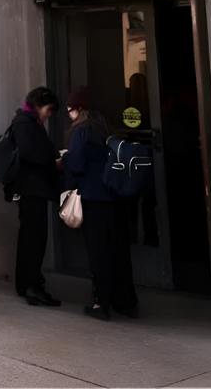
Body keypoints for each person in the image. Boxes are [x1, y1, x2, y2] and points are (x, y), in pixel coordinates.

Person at [64, 86, 138, 320]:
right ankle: (126, 302)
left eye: (70, 110)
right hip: (117, 196)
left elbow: (76, 164)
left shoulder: (82, 131)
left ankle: (101, 303)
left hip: (94, 197)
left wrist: (65, 157)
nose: (69, 115)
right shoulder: (109, 128)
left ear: (80, 109)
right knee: (119, 251)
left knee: (99, 251)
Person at [6, 86, 63, 307]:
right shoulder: (25, 123)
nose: (50, 115)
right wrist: (54, 163)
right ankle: (31, 286)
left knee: (32, 237)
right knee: (34, 239)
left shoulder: (29, 122)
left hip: (33, 189)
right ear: (39, 105)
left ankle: (27, 283)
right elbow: (31, 154)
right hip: (31, 190)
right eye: (49, 109)